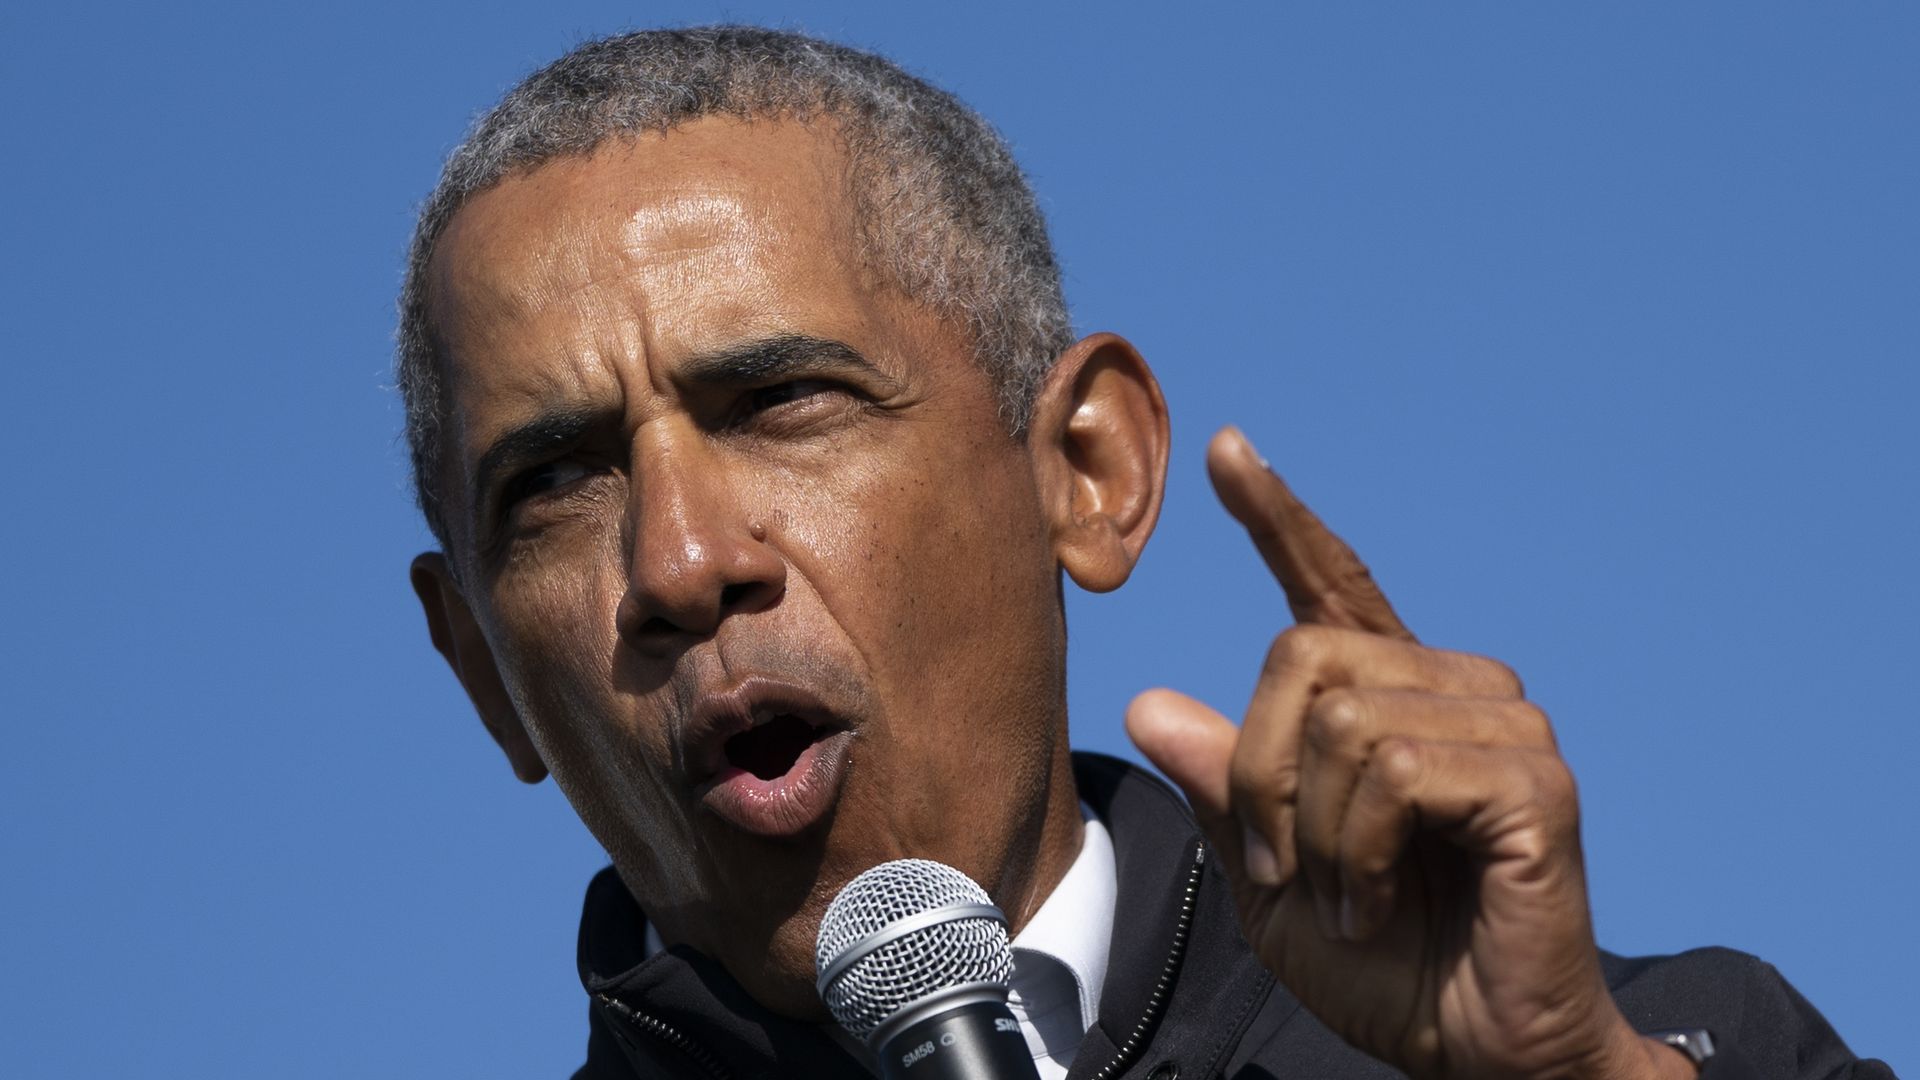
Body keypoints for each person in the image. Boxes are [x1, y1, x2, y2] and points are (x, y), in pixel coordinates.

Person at [398, 26, 1890, 1080]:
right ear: (481, 676)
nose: (679, 561)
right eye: (556, 484)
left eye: (783, 400)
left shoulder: (1666, 1053)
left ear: (1086, 470)